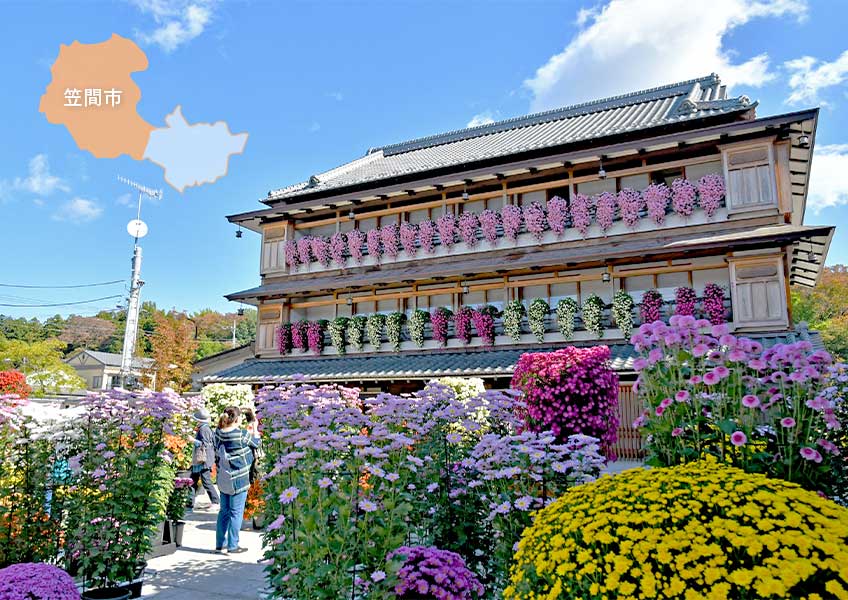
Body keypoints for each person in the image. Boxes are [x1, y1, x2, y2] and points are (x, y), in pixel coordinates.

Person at [214, 405, 260, 554]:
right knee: (236, 512)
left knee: (224, 511)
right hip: (239, 479)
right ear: (238, 419)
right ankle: (233, 545)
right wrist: (255, 425)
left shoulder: (219, 433)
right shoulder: (241, 435)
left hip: (224, 478)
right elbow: (257, 443)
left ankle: (220, 544)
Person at [190, 407, 220, 509]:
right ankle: (190, 501)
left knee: (206, 480)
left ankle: (215, 501)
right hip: (202, 459)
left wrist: (193, 440)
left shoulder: (204, 429)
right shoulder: (205, 428)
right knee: (193, 480)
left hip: (204, 459)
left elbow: (205, 444)